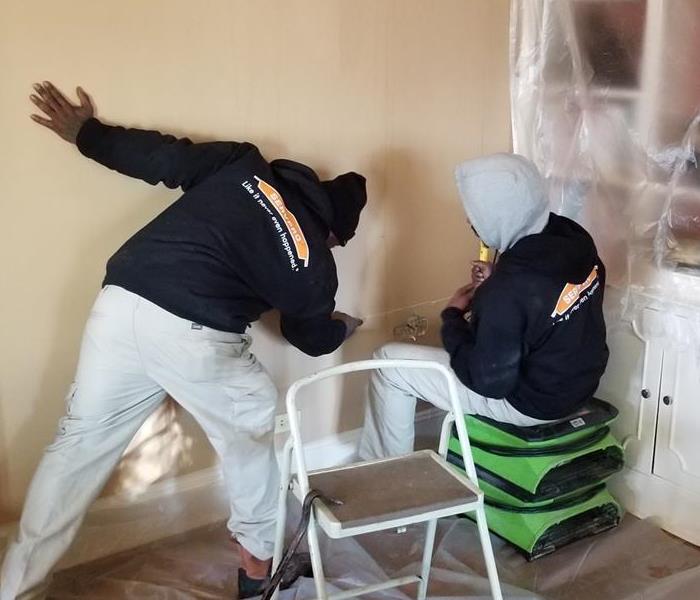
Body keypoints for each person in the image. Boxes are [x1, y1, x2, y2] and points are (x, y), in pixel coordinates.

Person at [1, 82, 366, 600]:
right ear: (334, 232)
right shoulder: (314, 262)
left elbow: (161, 156)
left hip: (121, 300)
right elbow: (307, 336)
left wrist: (86, 133)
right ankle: (258, 576)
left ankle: (15, 587)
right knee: (254, 433)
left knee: (75, 449)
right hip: (193, 330)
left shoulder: (244, 167)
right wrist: (342, 326)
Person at [359, 153, 608, 460]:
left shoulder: (509, 289)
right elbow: (547, 302)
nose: (469, 221)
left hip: (534, 405)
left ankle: (384, 473)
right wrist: (499, 286)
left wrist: (453, 318)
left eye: (475, 214)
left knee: (388, 365)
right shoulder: (573, 239)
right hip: (581, 383)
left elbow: (488, 382)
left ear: (499, 215)